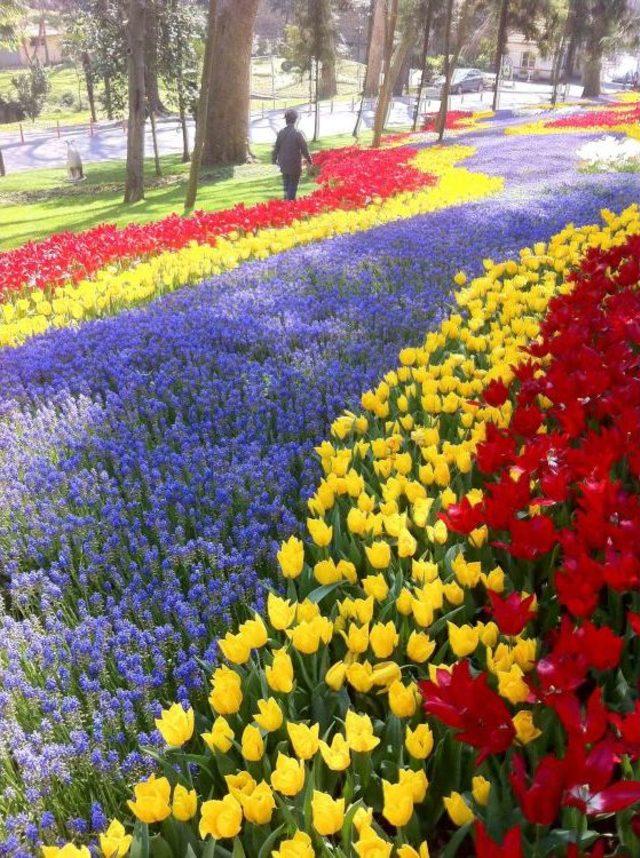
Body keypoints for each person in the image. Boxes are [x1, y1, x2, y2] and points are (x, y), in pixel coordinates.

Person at [272, 109, 312, 201]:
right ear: (295, 120)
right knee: (293, 186)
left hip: (283, 164)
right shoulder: (298, 133)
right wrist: (310, 161)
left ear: (286, 120)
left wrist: (274, 160)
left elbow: (276, 148)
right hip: (294, 165)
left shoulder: (281, 133)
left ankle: (286, 202)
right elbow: (304, 149)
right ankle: (290, 204)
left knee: (286, 186)